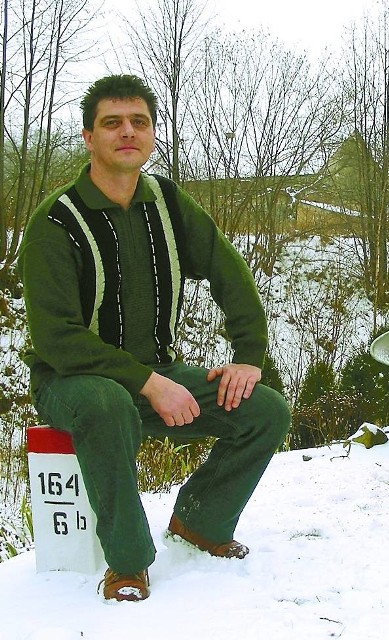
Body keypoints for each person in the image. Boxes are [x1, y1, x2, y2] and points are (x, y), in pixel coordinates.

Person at [18, 74, 291, 601]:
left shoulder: (166, 202)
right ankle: (128, 561)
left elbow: (228, 273)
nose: (127, 132)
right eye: (112, 122)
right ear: (88, 136)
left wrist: (248, 357)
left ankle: (200, 522)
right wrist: (146, 382)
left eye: (139, 122)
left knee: (265, 411)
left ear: (152, 134)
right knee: (106, 402)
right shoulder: (56, 220)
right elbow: (56, 338)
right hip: (71, 385)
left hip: (152, 376)